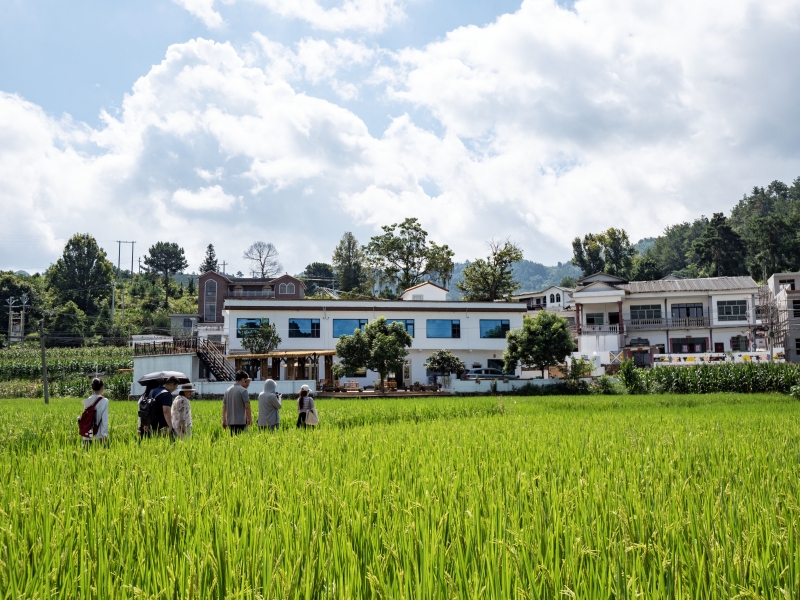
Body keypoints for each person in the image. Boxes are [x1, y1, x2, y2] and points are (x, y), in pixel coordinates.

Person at [81, 378, 109, 445]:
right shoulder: (104, 401)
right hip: (99, 434)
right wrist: (104, 434)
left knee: (86, 452)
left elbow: (85, 417)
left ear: (92, 388)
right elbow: (104, 419)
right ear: (102, 387)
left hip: (87, 433)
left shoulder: (87, 400)